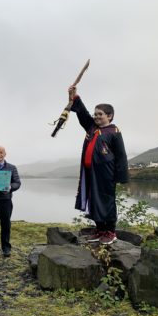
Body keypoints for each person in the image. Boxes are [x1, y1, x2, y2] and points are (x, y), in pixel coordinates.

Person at [68, 85, 129, 245]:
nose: (96, 117)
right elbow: (83, 114)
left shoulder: (114, 131)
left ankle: (110, 232)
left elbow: (121, 156)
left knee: (106, 202)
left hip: (106, 175)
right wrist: (75, 97)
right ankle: (100, 230)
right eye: (95, 114)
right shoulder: (92, 128)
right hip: (90, 173)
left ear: (110, 116)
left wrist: (120, 177)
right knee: (94, 201)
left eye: (100, 114)